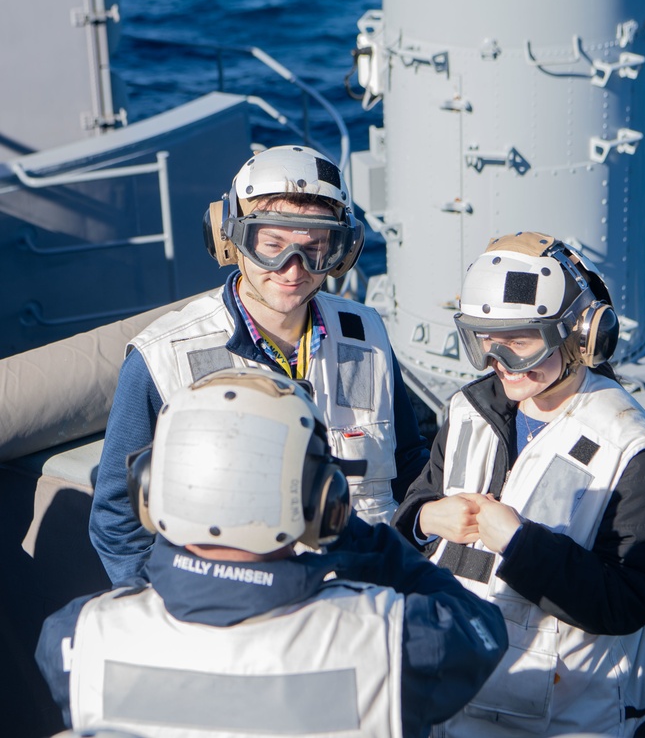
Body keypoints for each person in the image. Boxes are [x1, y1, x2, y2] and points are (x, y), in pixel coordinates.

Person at [37, 368, 507, 738]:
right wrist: (360, 541)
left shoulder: (74, 639)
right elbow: (482, 631)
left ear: (152, 489)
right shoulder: (398, 640)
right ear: (323, 501)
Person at [392, 232, 645, 737]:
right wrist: (424, 519)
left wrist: (519, 542)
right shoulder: (470, 409)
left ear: (580, 337)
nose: (500, 363)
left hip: (565, 713)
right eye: (486, 342)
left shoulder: (627, 442)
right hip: (459, 692)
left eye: (521, 343)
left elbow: (630, 597)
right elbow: (422, 497)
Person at [90, 144, 429, 585]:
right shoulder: (162, 359)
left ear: (343, 250)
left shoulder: (367, 333)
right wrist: (170, 613)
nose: (293, 269)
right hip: (240, 625)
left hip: (363, 609)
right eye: (271, 246)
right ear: (229, 237)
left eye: (315, 248)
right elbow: (118, 519)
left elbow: (406, 459)